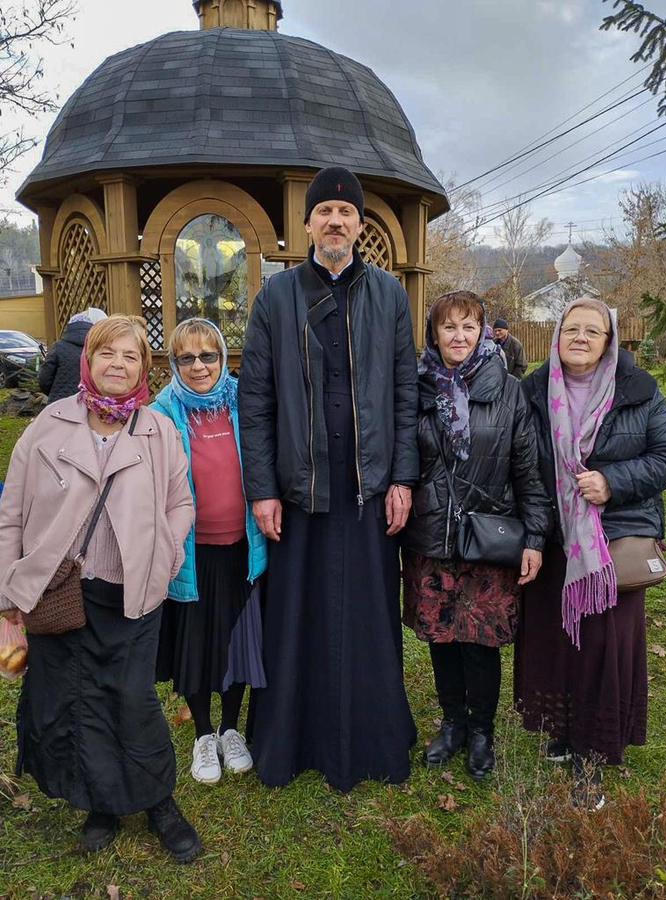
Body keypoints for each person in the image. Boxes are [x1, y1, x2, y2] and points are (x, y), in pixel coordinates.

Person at [238, 165, 419, 792]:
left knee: (369, 614)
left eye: (347, 214)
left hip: (369, 486)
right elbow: (255, 401)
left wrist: (403, 477)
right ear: (308, 224)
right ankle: (293, 739)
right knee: (297, 615)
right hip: (300, 487)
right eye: (325, 213)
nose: (336, 222)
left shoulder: (390, 295)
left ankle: (371, 740)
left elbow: (404, 391)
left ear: (360, 225)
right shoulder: (275, 297)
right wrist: (261, 487)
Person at [0, 315, 201, 862]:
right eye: (107, 353)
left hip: (132, 592)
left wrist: (167, 550)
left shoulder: (158, 430)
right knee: (76, 701)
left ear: (143, 367)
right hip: (61, 590)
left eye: (130, 356)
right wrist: (7, 594)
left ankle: (159, 802)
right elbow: (11, 511)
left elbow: (181, 504)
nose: (118, 364)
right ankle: (101, 804)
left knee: (132, 700)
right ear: (88, 359)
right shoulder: (49, 423)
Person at [514, 297, 666, 809]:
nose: (580, 338)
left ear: (609, 342)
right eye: (571, 329)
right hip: (554, 538)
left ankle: (593, 755)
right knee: (554, 641)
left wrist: (612, 481)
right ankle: (562, 734)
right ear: (557, 335)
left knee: (602, 648)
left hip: (612, 544)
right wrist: (534, 536)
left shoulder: (639, 390)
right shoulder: (531, 391)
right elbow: (521, 466)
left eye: (593, 331)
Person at [401, 292, 550, 780]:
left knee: (479, 639)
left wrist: (535, 537)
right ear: (434, 334)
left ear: (483, 332)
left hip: (488, 535)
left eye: (469, 326)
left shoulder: (508, 390)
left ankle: (482, 729)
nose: (459, 336)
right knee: (441, 635)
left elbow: (528, 471)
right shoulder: (418, 386)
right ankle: (453, 723)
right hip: (432, 535)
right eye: (449, 327)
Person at [152, 318, 267, 784]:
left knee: (238, 642)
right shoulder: (161, 412)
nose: (198, 366)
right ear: (174, 363)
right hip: (192, 555)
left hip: (242, 547)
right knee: (197, 645)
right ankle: (203, 734)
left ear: (223, 358)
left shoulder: (245, 403)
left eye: (208, 355)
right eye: (186, 357)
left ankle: (230, 728)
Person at [38, 308, 108, 402]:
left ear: (69, 327)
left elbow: (44, 380)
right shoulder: (98, 349)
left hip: (58, 404)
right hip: (90, 403)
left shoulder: (58, 347)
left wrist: (54, 392)